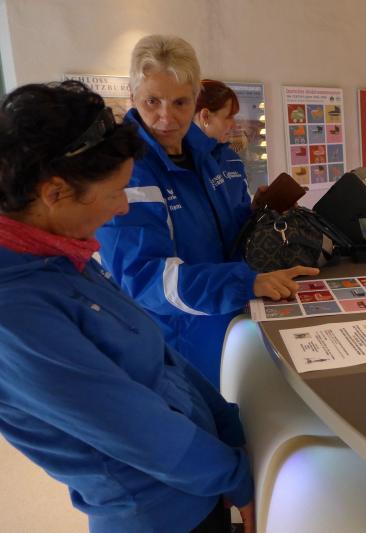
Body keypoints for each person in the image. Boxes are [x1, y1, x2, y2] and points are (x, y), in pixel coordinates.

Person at [0, 81, 254, 532]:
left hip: (197, 482)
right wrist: (235, 477)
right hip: (157, 516)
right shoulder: (15, 312)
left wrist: (228, 427)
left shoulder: (61, 255)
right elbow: (134, 429)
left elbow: (158, 352)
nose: (121, 208)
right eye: (115, 191)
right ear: (55, 193)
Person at [96, 35, 317, 387]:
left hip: (241, 318)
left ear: (195, 99)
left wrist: (262, 219)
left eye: (180, 102)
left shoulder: (213, 155)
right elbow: (144, 277)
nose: (166, 117)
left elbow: (231, 232)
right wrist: (245, 282)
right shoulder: (127, 171)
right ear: (133, 96)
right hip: (180, 340)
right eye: (153, 101)